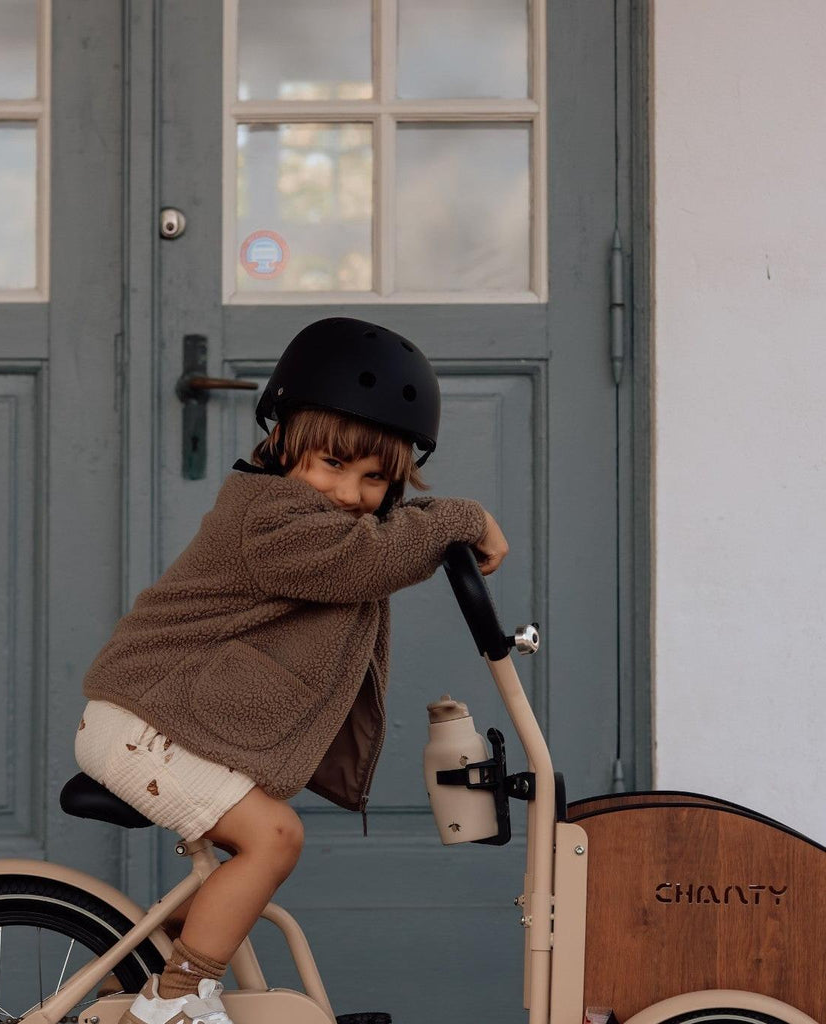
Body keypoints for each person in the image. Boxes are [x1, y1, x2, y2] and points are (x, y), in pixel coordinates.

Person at [74, 317, 509, 1024]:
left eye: (375, 478)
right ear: (282, 442)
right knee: (275, 837)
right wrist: (464, 518)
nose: (350, 493)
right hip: (141, 723)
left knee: (250, 853)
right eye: (332, 464)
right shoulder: (272, 519)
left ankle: (140, 984)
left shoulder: (319, 521)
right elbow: (370, 559)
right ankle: (175, 1001)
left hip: (164, 725)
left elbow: (375, 549)